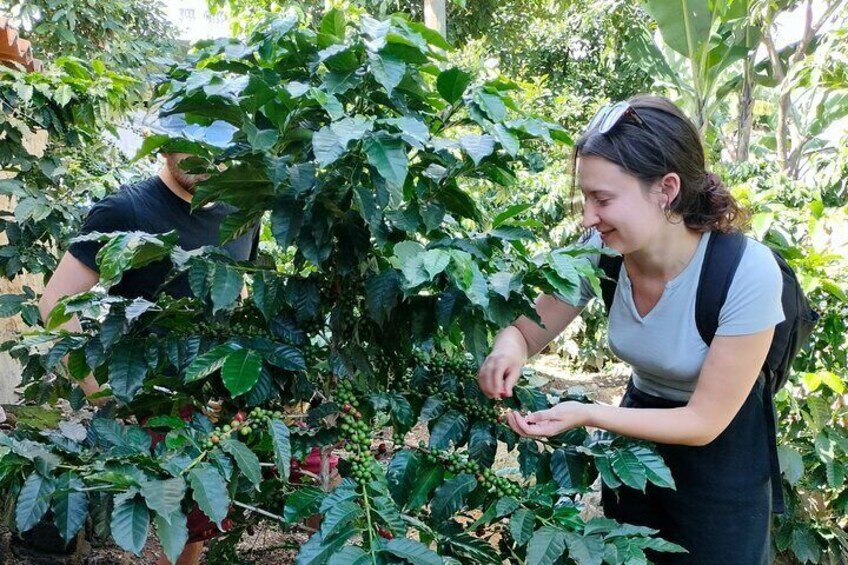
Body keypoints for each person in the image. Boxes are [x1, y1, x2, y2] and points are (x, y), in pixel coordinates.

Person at [477, 95, 783, 564]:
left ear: (666, 190)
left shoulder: (746, 271)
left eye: (602, 199)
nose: (588, 217)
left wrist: (586, 413)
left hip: (723, 451)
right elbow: (526, 331)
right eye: (585, 198)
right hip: (636, 436)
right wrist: (507, 350)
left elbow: (703, 422)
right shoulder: (599, 248)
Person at [38, 152, 259, 565]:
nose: (201, 154)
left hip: (218, 396)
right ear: (162, 145)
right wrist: (107, 396)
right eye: (185, 139)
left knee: (200, 521)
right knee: (173, 517)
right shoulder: (125, 209)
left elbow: (238, 293)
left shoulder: (242, 212)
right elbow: (54, 305)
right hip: (153, 399)